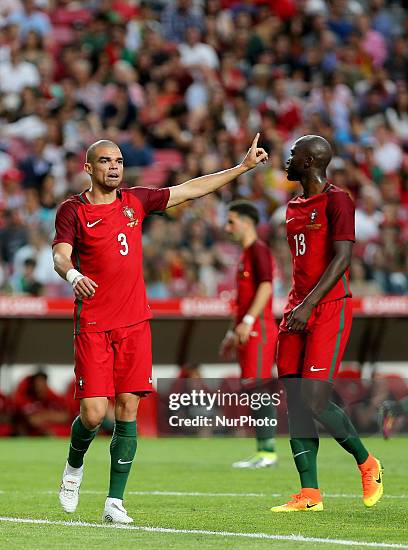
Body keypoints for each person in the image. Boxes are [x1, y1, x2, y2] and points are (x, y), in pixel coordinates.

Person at [52, 135, 268, 524]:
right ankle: (73, 469)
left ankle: (114, 502)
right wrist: (72, 275)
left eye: (118, 160)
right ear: (89, 168)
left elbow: (189, 190)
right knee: (93, 413)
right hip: (94, 323)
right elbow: (60, 253)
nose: (114, 167)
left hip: (135, 322)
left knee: (128, 408)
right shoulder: (73, 210)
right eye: (105, 161)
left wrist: (241, 168)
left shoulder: (135, 201)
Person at [271, 135, 383, 513]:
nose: (287, 160)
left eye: (292, 155)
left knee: (316, 398)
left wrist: (309, 304)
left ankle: (367, 463)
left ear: (308, 161)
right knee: (296, 402)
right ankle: (310, 494)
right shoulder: (291, 207)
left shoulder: (338, 200)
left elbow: (343, 259)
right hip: (295, 309)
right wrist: (297, 307)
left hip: (328, 308)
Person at [220, 201, 278, 468]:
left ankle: (268, 453)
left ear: (246, 222)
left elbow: (266, 287)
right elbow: (243, 299)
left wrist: (248, 320)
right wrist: (232, 333)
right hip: (248, 328)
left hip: (260, 327)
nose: (227, 226)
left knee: (259, 387)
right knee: (252, 388)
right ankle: (262, 450)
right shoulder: (245, 254)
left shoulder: (258, 250)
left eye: (231, 221)